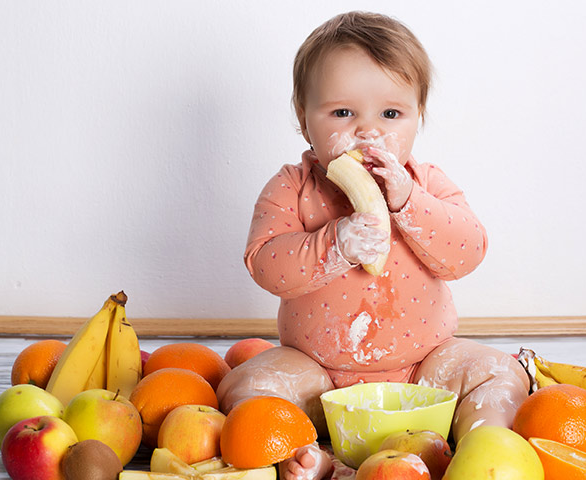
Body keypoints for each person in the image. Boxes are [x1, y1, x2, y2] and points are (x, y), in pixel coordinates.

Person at [217, 11, 529, 480]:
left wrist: (409, 203)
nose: (368, 131)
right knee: (246, 386)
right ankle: (306, 455)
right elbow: (265, 264)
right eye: (343, 113)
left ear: (417, 118)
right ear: (304, 120)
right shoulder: (292, 187)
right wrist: (334, 244)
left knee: (499, 373)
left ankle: (482, 452)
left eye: (390, 114)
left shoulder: (426, 184)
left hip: (426, 368)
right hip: (316, 372)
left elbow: (468, 250)